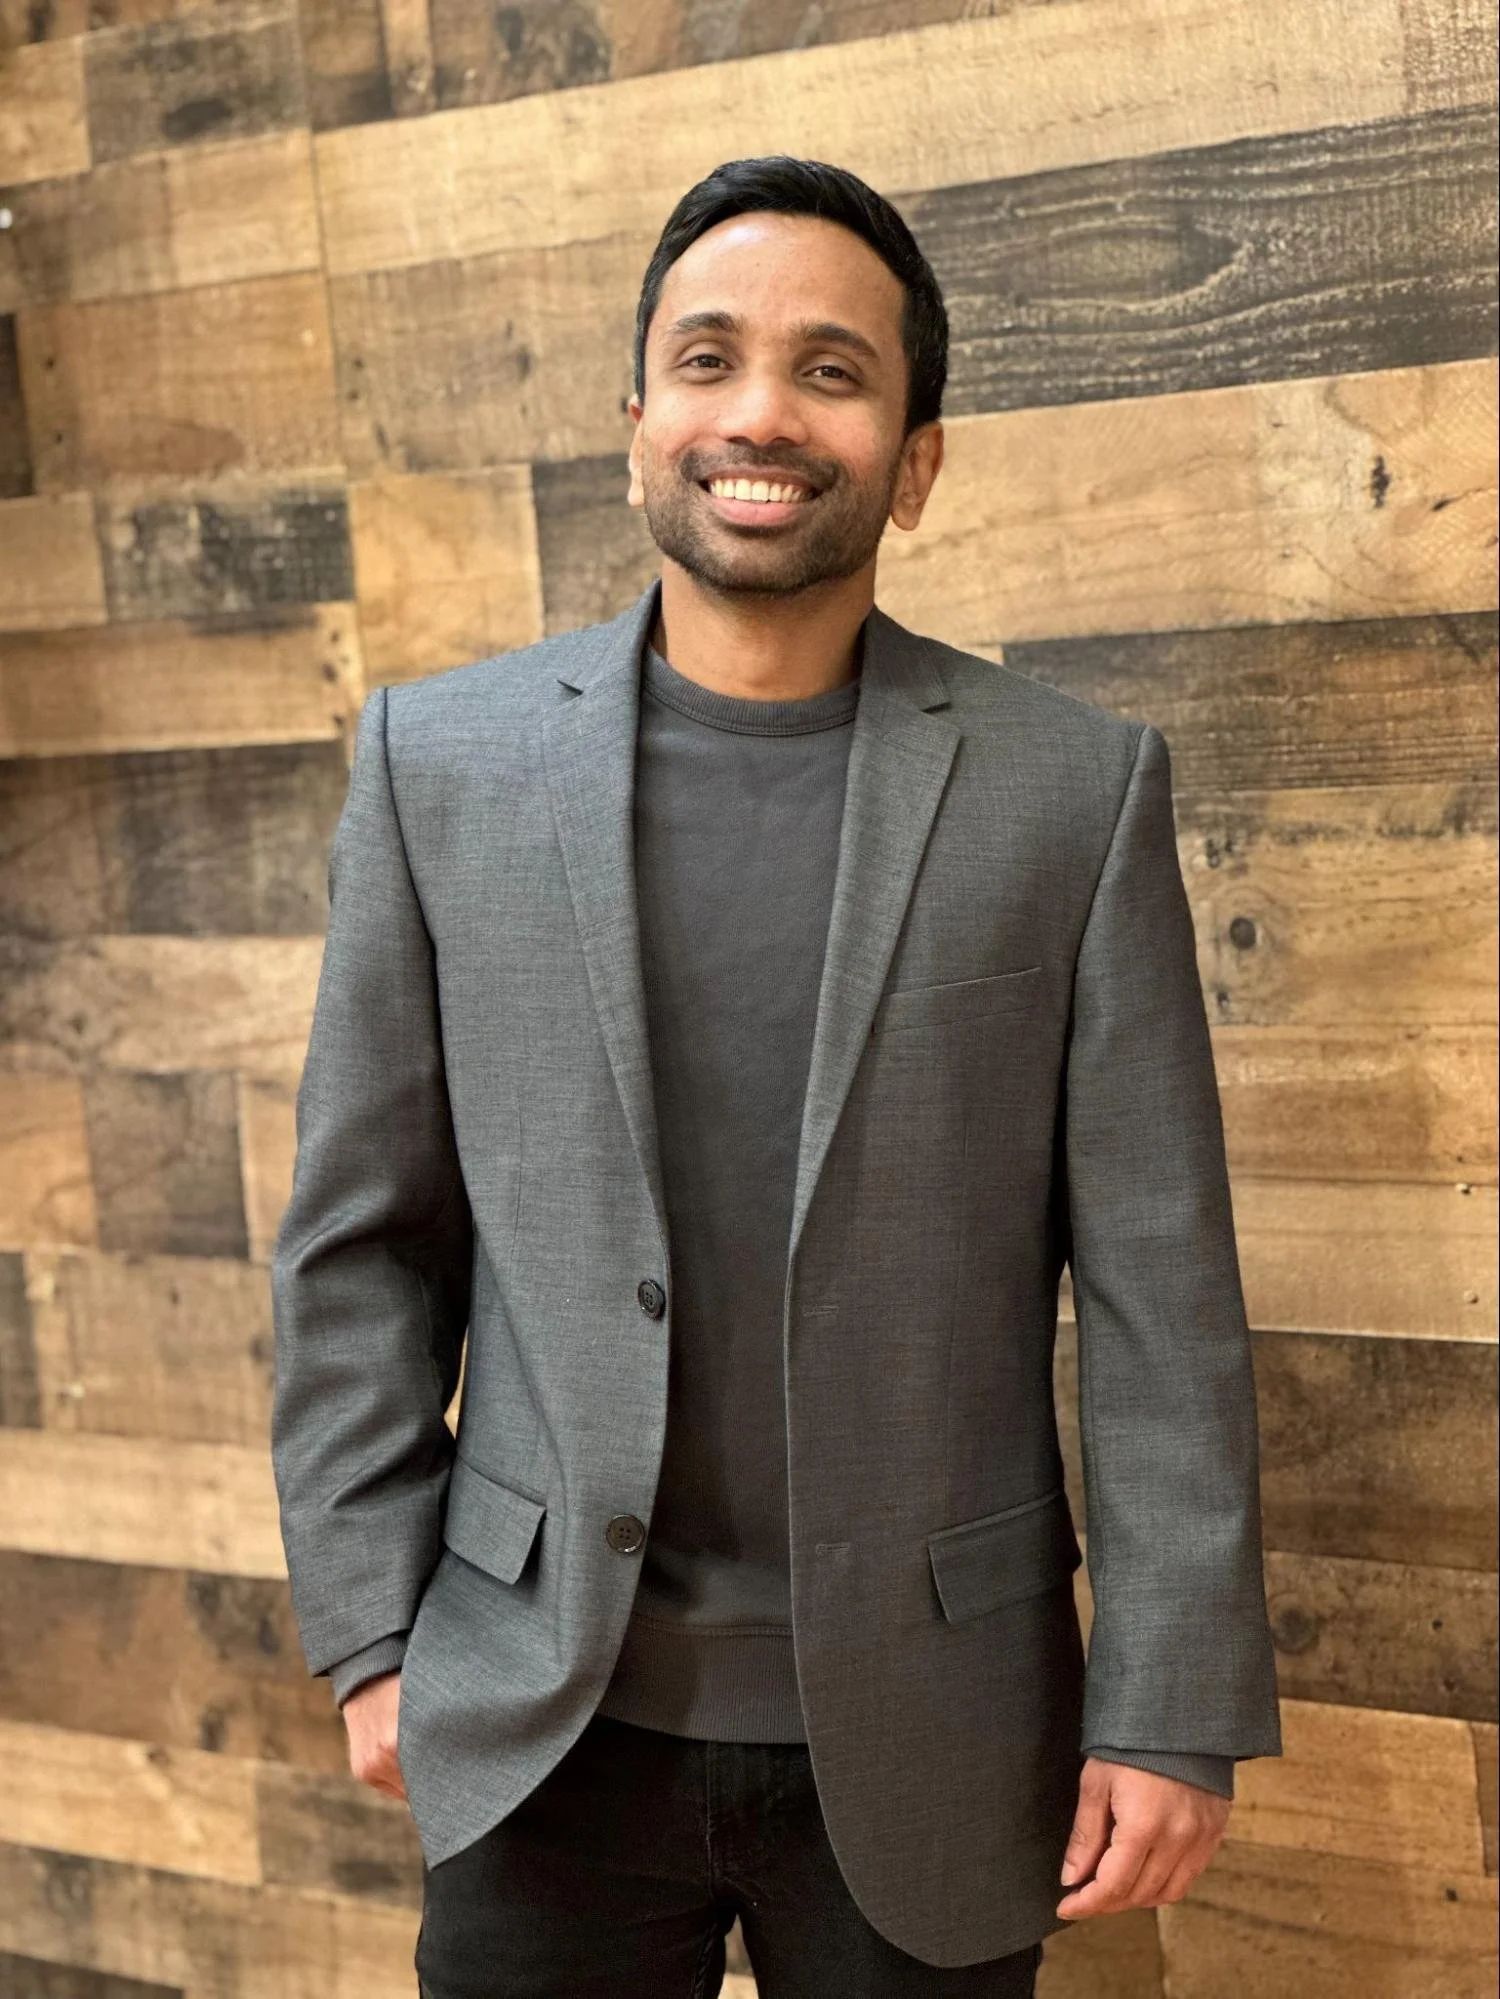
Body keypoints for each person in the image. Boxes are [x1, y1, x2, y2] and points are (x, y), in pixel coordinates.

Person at [271, 156, 1282, 1997]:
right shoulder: (441, 767)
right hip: (538, 1710)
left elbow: (1162, 1298)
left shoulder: (1073, 792)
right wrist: (368, 1626)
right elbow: (361, 1246)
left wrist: (1171, 1699)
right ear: (635, 428)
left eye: (833, 371)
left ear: (916, 458)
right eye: (709, 358)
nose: (761, 413)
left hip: (941, 1718)